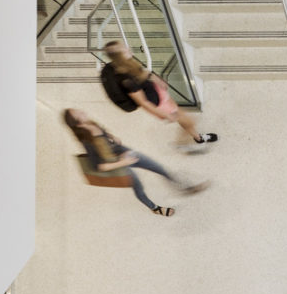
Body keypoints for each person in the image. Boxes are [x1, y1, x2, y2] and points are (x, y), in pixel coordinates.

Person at [64, 109, 204, 216]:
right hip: (116, 165)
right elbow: (99, 166)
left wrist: (112, 138)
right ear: (76, 122)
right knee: (138, 187)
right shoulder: (85, 140)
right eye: (78, 113)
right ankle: (154, 208)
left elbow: (103, 133)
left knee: (158, 167)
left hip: (121, 151)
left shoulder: (90, 123)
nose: (81, 112)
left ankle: (185, 187)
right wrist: (124, 162)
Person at [100, 40, 217, 148]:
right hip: (157, 102)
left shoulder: (124, 64)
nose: (128, 48)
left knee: (182, 115)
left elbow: (141, 73)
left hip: (156, 92)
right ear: (120, 56)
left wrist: (156, 79)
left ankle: (198, 138)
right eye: (124, 49)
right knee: (190, 120)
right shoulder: (126, 80)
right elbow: (143, 103)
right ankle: (183, 143)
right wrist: (165, 115)